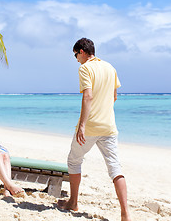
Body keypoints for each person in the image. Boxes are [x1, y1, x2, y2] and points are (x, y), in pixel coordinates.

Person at [57, 38, 131, 221]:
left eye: (75, 55)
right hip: (109, 127)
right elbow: (114, 96)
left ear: (82, 51)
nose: (76, 59)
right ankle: (125, 214)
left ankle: (73, 203)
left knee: (74, 160)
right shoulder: (110, 68)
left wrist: (82, 125)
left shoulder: (85, 68)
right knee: (115, 168)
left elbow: (88, 96)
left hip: (90, 127)